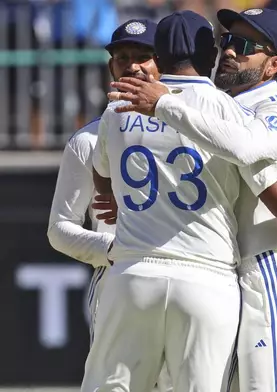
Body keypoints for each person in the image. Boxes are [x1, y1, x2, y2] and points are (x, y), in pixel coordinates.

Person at [106, 8, 277, 392]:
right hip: (220, 273)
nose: (231, 52)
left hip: (266, 272)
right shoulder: (216, 106)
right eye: (228, 41)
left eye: (247, 46)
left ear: (275, 65)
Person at [81, 11, 266, 391]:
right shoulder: (227, 109)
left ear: (157, 57)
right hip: (206, 276)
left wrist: (123, 198)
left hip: (133, 274)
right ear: (211, 56)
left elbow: (100, 170)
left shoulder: (118, 107)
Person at [47, 18, 172, 392]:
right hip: (118, 280)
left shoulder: (190, 131)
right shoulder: (86, 141)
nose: (133, 66)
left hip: (187, 274)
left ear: (162, 63)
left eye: (144, 57)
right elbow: (60, 229)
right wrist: (115, 250)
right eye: (122, 58)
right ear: (110, 67)